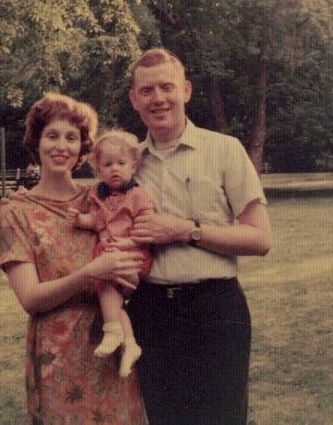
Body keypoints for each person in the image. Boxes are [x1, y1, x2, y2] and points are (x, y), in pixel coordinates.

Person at [125, 48, 272, 425]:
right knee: (164, 417)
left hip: (215, 308)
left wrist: (186, 231)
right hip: (150, 310)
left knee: (221, 417)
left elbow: (260, 239)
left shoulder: (225, 150)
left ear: (186, 90)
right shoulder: (127, 165)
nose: (158, 98)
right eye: (147, 91)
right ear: (134, 100)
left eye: (166, 87)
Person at [0, 93, 147, 424]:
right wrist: (91, 272)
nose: (61, 146)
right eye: (52, 136)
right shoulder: (16, 212)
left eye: (72, 137)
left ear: (83, 148)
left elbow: (130, 271)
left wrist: (128, 275)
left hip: (111, 351)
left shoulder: (99, 200)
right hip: (57, 358)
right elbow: (31, 300)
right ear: (36, 141)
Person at [66, 129, 153, 377]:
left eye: (121, 163)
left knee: (105, 286)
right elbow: (96, 221)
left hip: (133, 255)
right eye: (107, 164)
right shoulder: (96, 193)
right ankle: (130, 344)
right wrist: (80, 219)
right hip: (108, 253)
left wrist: (125, 244)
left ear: (133, 166)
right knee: (111, 295)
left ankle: (112, 331)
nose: (114, 169)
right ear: (98, 169)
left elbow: (146, 229)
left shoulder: (138, 196)